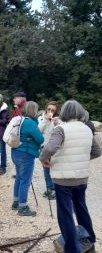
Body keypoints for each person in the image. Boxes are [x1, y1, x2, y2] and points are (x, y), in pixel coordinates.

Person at [39, 100, 101, 253]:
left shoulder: (61, 129)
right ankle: (90, 240)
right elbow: (97, 152)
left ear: (64, 113)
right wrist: (81, 160)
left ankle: (72, 248)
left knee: (65, 213)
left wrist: (43, 159)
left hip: (63, 179)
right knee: (81, 208)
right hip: (81, 177)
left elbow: (50, 148)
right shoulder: (86, 129)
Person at [11, 101, 44, 216]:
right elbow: (40, 139)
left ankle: (16, 202)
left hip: (16, 151)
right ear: (33, 110)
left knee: (19, 178)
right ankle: (23, 207)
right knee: (26, 180)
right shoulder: (30, 123)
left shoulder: (19, 119)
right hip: (26, 153)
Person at [38, 101, 60, 200]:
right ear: (46, 108)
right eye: (49, 109)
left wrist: (55, 122)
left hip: (56, 148)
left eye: (53, 110)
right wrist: (45, 121)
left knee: (55, 168)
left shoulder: (59, 119)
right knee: (46, 169)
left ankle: (56, 189)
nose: (50, 111)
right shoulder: (41, 118)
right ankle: (49, 188)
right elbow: (38, 131)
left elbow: (59, 132)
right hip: (44, 147)